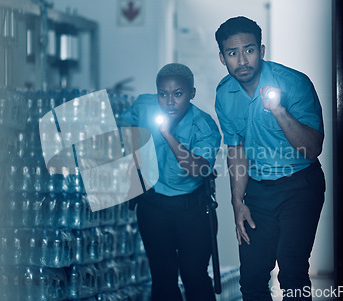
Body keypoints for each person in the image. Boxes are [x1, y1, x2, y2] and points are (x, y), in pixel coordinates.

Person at [214, 16, 326, 301]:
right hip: (258, 191)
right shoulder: (224, 94)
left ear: (261, 51)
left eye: (249, 50)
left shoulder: (294, 83)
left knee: (292, 270)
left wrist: (278, 110)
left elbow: (312, 148)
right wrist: (237, 203)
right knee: (251, 277)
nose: (242, 60)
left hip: (300, 186)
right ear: (222, 57)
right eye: (232, 53)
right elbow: (236, 150)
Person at [121, 63, 222, 301]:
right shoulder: (144, 105)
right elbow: (121, 129)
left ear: (191, 94)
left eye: (178, 94)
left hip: (194, 211)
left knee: (194, 275)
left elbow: (196, 169)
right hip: (153, 208)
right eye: (163, 94)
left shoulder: (204, 126)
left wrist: (167, 133)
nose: (169, 101)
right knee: (163, 278)